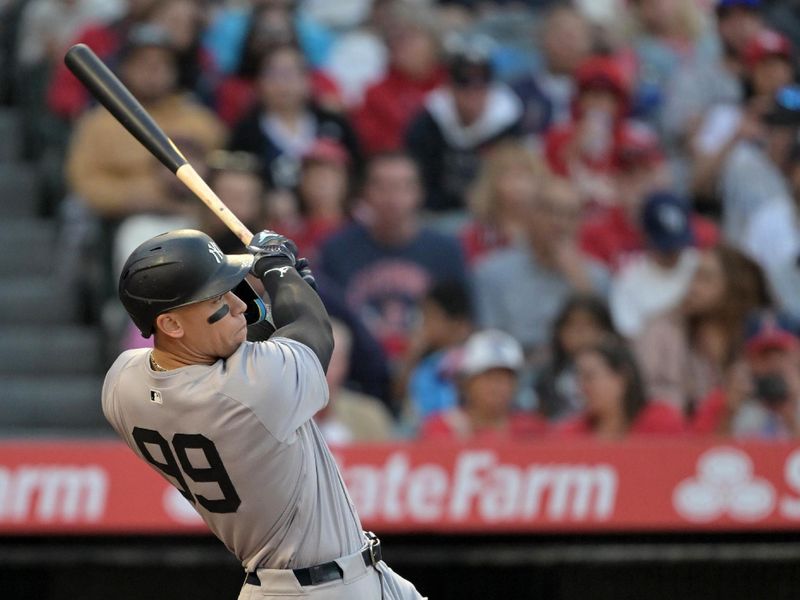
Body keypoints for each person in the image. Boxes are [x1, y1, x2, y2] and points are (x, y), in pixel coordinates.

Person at [103, 228, 426, 599]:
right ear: (171, 325)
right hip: (319, 589)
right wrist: (279, 272)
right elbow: (313, 333)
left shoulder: (121, 385)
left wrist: (294, 293)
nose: (238, 304)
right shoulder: (246, 392)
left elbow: (246, 335)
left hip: (332, 580)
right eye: (218, 300)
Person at [318, 152, 468, 363]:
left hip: (429, 370)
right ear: (365, 193)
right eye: (382, 187)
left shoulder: (446, 250)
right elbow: (325, 324)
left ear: (419, 193)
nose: (392, 198)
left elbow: (462, 326)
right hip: (357, 370)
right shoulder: (336, 249)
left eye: (402, 187)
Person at [65, 24, 225, 219]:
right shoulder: (98, 123)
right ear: (124, 67)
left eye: (163, 63)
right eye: (142, 63)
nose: (153, 71)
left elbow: (226, 175)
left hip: (196, 218)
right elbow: (84, 182)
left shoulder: (199, 119)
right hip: (124, 220)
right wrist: (135, 196)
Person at [473, 176, 609, 363]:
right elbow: (488, 345)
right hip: (515, 375)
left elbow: (608, 347)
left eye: (570, 215)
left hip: (577, 374)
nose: (560, 223)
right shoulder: (492, 273)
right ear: (530, 215)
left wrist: (583, 286)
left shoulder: (597, 277)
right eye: (551, 211)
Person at [634, 244, 770, 412]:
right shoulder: (661, 330)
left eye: (706, 278)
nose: (693, 287)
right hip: (675, 433)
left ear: (734, 287)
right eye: (694, 276)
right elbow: (641, 395)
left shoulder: (754, 336)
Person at [405, 36, 523, 212]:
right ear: (450, 86)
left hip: (493, 215)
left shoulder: (509, 125)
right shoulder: (427, 124)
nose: (473, 92)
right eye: (464, 82)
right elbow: (418, 181)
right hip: (435, 213)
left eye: (482, 82)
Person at [227, 42, 361, 189]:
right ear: (258, 82)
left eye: (290, 74)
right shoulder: (245, 132)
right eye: (273, 74)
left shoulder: (333, 123)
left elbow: (358, 168)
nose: (282, 84)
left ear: (308, 80)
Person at [419, 329, 545, 441]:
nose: (497, 386)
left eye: (504, 378)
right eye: (488, 377)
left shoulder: (532, 429)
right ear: (466, 383)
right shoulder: (440, 428)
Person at [354, 3, 446, 155]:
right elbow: (374, 147)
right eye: (393, 38)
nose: (399, 44)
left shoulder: (454, 86)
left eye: (409, 36)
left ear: (434, 42)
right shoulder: (375, 93)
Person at [609, 192, 703, 338]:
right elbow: (631, 336)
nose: (673, 251)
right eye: (666, 247)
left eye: (678, 244)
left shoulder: (701, 265)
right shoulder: (629, 281)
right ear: (644, 236)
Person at [693, 311, 800, 438]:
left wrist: (792, 415)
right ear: (747, 359)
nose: (773, 363)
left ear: (796, 355)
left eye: (781, 353)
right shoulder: (723, 401)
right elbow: (708, 454)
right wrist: (729, 413)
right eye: (763, 354)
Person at [553, 337, 686, 438]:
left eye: (589, 377)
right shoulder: (570, 434)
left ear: (621, 379)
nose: (582, 387)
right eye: (579, 379)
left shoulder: (662, 421)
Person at [459, 140, 550, 266]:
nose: (518, 185)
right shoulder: (475, 236)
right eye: (509, 176)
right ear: (491, 185)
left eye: (525, 176)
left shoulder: (551, 230)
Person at [535, 294, 617, 423]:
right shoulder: (547, 377)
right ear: (559, 332)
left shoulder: (620, 373)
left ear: (606, 331)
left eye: (588, 326)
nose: (580, 334)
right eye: (572, 326)